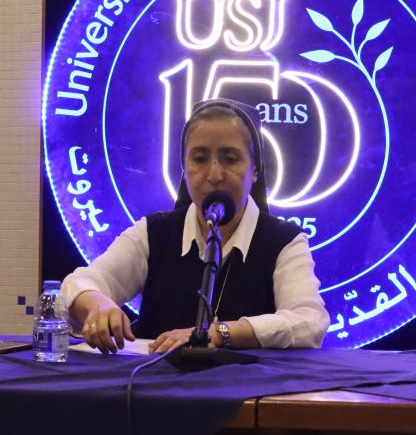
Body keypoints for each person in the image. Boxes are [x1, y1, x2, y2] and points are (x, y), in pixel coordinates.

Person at [61, 99, 330, 354]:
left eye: (230, 159)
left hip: (249, 387)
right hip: (155, 385)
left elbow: (309, 322)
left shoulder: (285, 241)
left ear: (255, 170)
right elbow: (76, 284)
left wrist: (220, 333)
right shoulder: (153, 233)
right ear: (184, 167)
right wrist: (97, 304)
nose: (214, 175)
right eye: (199, 159)